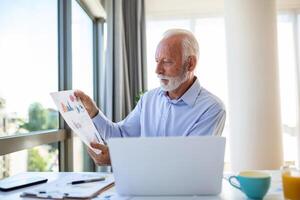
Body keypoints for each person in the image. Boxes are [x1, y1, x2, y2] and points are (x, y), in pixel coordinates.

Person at [75, 29, 226, 166]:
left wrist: (120, 157)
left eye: (167, 61)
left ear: (190, 64)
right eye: (157, 61)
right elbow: (120, 136)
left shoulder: (211, 108)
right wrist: (94, 112)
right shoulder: (148, 99)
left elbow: (187, 160)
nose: (157, 70)